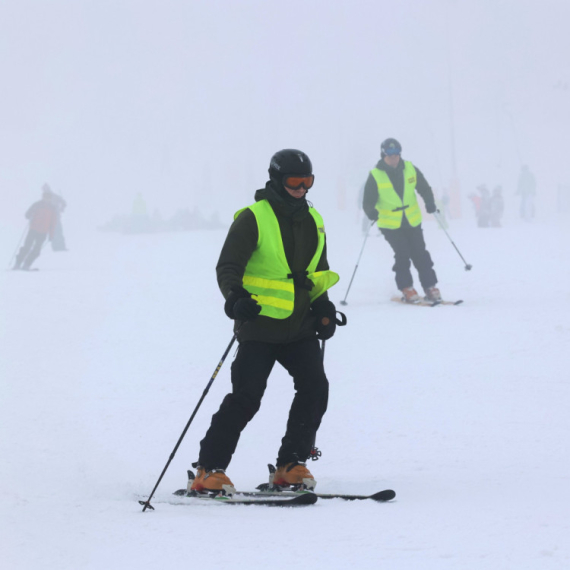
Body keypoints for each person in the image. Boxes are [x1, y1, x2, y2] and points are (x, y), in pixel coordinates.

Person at [190, 149, 340, 494]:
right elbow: (228, 266)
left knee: (315, 388)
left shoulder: (314, 220)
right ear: (276, 180)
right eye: (294, 182)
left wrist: (324, 309)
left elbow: (318, 272)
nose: (302, 189)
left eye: (308, 182)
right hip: (258, 326)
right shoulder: (253, 217)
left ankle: (290, 464)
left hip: (300, 326)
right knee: (246, 397)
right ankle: (208, 469)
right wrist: (236, 299)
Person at [362, 138, 441, 303]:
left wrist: (430, 203)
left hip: (412, 220)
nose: (394, 158)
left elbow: (424, 188)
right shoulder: (375, 175)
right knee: (403, 252)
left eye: (396, 154)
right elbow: (367, 201)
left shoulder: (410, 169)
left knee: (420, 253)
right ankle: (407, 287)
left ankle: (430, 286)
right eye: (390, 155)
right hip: (390, 224)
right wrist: (371, 212)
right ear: (383, 155)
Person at [13, 187, 58, 270]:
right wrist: (31, 215)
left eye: (48, 197)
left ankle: (26, 265)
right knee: (26, 247)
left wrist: (51, 235)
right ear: (43, 197)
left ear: (50, 199)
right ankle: (17, 264)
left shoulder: (53, 209)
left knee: (36, 250)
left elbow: (53, 223)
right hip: (33, 229)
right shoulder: (37, 205)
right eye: (45, 197)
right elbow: (27, 214)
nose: (46, 199)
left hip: (43, 232)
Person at [42, 184, 68, 251]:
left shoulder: (54, 196)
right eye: (44, 189)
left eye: (46, 189)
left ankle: (61, 247)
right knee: (54, 232)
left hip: (55, 217)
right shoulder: (44, 199)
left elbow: (64, 202)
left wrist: (62, 208)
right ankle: (56, 248)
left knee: (58, 232)